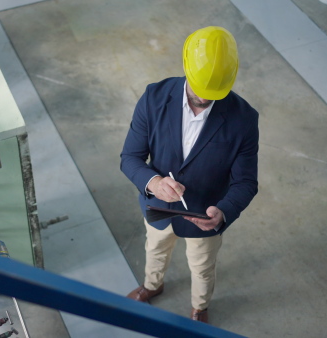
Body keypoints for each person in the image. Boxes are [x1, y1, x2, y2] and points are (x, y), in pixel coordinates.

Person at [120, 26, 259, 324]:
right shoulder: (153, 98)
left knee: (203, 267)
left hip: (204, 217)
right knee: (154, 250)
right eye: (198, 89)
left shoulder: (244, 120)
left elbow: (246, 181)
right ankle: (152, 286)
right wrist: (153, 182)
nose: (203, 99)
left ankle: (199, 307)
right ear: (185, 65)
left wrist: (223, 211)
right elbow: (130, 157)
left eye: (212, 95)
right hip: (157, 208)